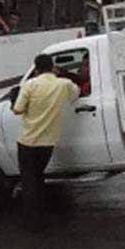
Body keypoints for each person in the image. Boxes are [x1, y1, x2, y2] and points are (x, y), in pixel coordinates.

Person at [12, 54, 80, 232]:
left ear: (36, 69)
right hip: (47, 144)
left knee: (29, 182)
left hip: (27, 142)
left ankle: (33, 221)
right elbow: (76, 94)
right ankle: (41, 216)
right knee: (38, 177)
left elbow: (17, 110)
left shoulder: (30, 85)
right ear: (53, 67)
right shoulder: (63, 84)